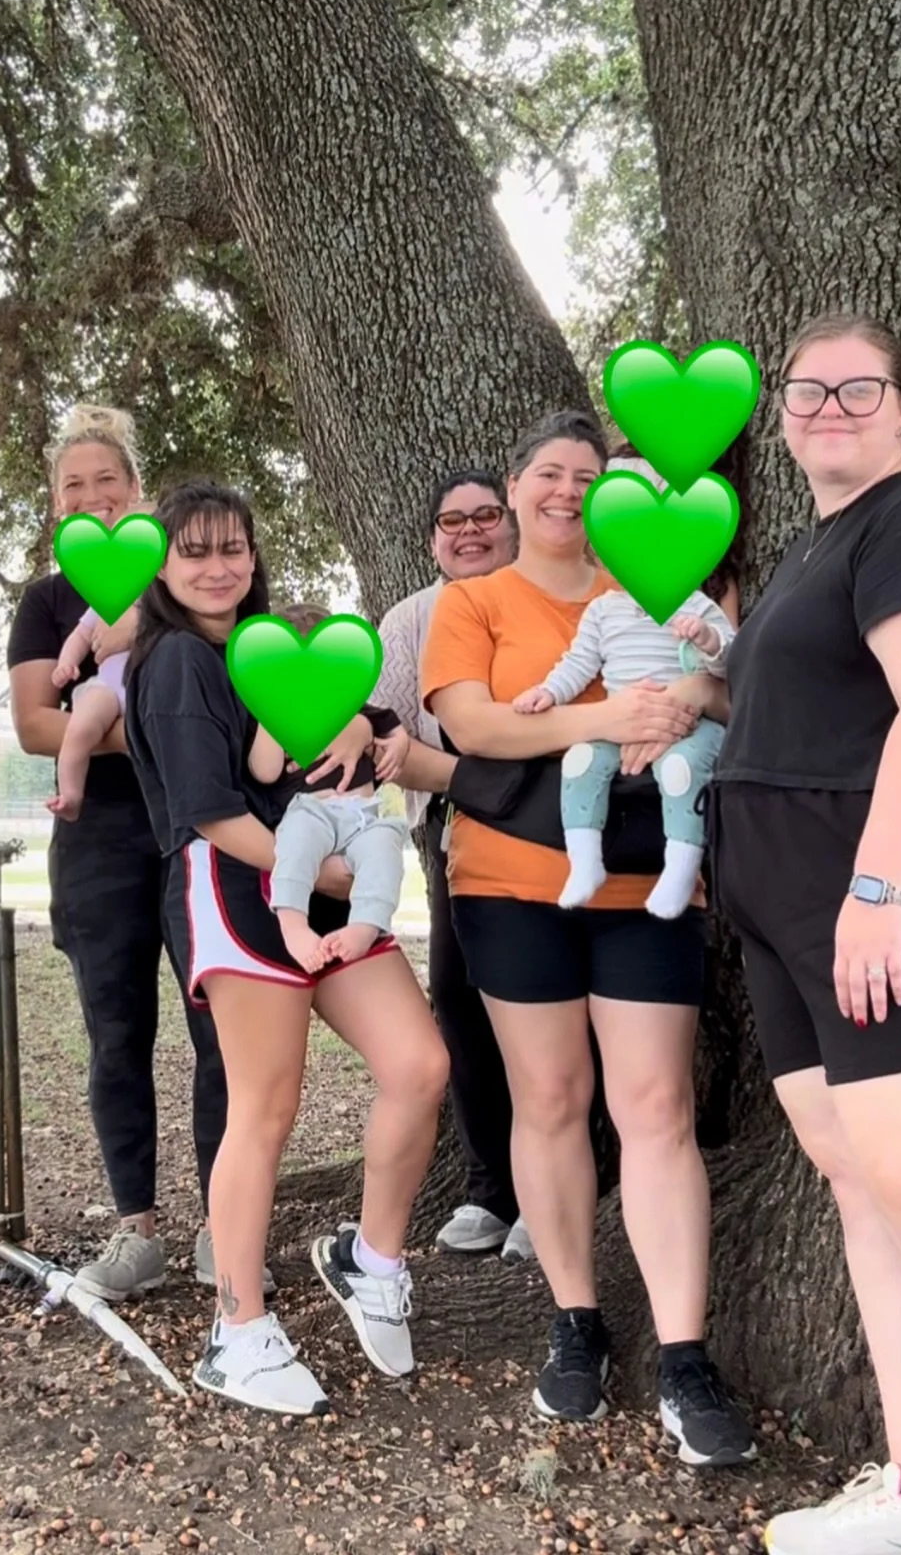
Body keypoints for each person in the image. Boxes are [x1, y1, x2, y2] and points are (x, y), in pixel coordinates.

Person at [709, 314, 901, 1555]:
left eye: (858, 387)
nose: (828, 406)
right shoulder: (814, 548)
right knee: (872, 1191)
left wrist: (880, 887)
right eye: (805, 389)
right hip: (793, 916)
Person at [421, 410, 756, 1467]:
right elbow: (476, 726)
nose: (568, 492)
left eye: (588, 477)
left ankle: (686, 1354)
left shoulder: (685, 578)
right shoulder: (472, 600)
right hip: (512, 884)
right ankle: (576, 1322)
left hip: (653, 879)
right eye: (549, 475)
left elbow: (733, 689)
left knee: (657, 1106)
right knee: (552, 1099)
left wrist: (694, 693)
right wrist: (610, 719)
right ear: (515, 490)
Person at [126, 481, 451, 1417]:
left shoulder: (272, 649)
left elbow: (352, 729)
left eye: (234, 548)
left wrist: (367, 726)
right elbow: (213, 813)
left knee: (421, 1064)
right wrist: (320, 881)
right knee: (264, 1106)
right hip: (240, 886)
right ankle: (238, 1328)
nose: (219, 567)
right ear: (161, 563)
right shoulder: (178, 661)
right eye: (195, 552)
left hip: (329, 883)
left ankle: (370, 1259)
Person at [8, 405, 242, 1304]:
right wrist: (154, 726)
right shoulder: (48, 599)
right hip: (99, 844)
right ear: (55, 504)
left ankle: (227, 1221)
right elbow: (36, 722)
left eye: (109, 480)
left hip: (199, 829)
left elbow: (235, 684)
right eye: (74, 485)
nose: (93, 497)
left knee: (219, 1029)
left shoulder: (188, 576)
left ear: (138, 490)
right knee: (117, 1036)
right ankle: (135, 1228)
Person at [373, 473, 529, 1261]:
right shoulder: (412, 618)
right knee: (463, 1004)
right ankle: (489, 1189)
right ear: (432, 538)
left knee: (548, 1006)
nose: (469, 532)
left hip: (554, 826)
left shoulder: (547, 597)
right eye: (450, 522)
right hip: (453, 828)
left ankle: (548, 1191)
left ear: (512, 522)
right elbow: (384, 731)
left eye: (485, 517)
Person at [512, 455, 735, 919]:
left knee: (681, 772)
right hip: (620, 724)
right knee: (579, 761)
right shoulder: (603, 610)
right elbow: (578, 662)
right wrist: (550, 692)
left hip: (691, 728)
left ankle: (679, 868)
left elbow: (730, 663)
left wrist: (705, 637)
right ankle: (586, 863)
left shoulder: (696, 604)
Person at [250, 601, 411, 974]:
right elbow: (264, 771)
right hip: (313, 809)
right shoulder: (280, 715)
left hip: (365, 816)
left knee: (385, 852)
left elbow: (395, 730)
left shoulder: (355, 708)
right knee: (295, 845)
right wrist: (267, 714)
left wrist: (396, 743)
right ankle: (293, 924)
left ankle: (366, 925)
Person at [48, 492, 159, 822]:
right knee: (80, 728)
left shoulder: (169, 602)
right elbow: (82, 634)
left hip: (153, 690)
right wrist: (66, 662)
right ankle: (70, 793)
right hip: (110, 689)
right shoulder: (108, 597)